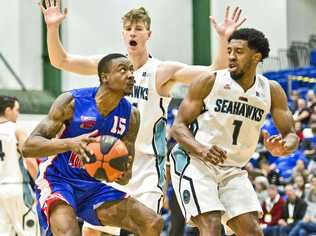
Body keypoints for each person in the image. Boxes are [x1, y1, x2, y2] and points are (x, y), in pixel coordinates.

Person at [39, 0, 246, 235]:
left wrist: (223, 40)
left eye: (138, 28)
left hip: (147, 167)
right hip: (108, 161)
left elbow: (213, 73)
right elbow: (61, 61)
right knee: (92, 232)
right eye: (128, 29)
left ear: (148, 33)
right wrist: (53, 28)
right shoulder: (106, 67)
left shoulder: (161, 71)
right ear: (122, 34)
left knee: (147, 228)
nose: (132, 33)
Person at [169, 28, 299, 236]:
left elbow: (291, 133)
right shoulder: (210, 81)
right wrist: (202, 150)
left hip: (233, 168)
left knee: (253, 231)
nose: (231, 56)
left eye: (238, 51)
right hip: (195, 161)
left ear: (256, 57)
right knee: (211, 225)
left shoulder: (271, 90)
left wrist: (285, 147)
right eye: (229, 50)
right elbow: (177, 126)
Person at [22, 53, 164, 236]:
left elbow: (125, 177)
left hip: (92, 186)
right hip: (57, 179)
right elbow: (28, 147)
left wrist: (117, 171)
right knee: (69, 233)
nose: (131, 75)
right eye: (123, 70)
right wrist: (70, 143)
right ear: (104, 77)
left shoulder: (131, 116)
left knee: (152, 223)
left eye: (131, 70)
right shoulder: (72, 102)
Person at [0, 95, 39, 235]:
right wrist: (39, 181)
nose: (18, 113)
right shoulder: (17, 130)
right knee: (30, 232)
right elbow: (29, 159)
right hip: (18, 188)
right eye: (17, 110)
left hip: (1, 189)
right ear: (8, 110)